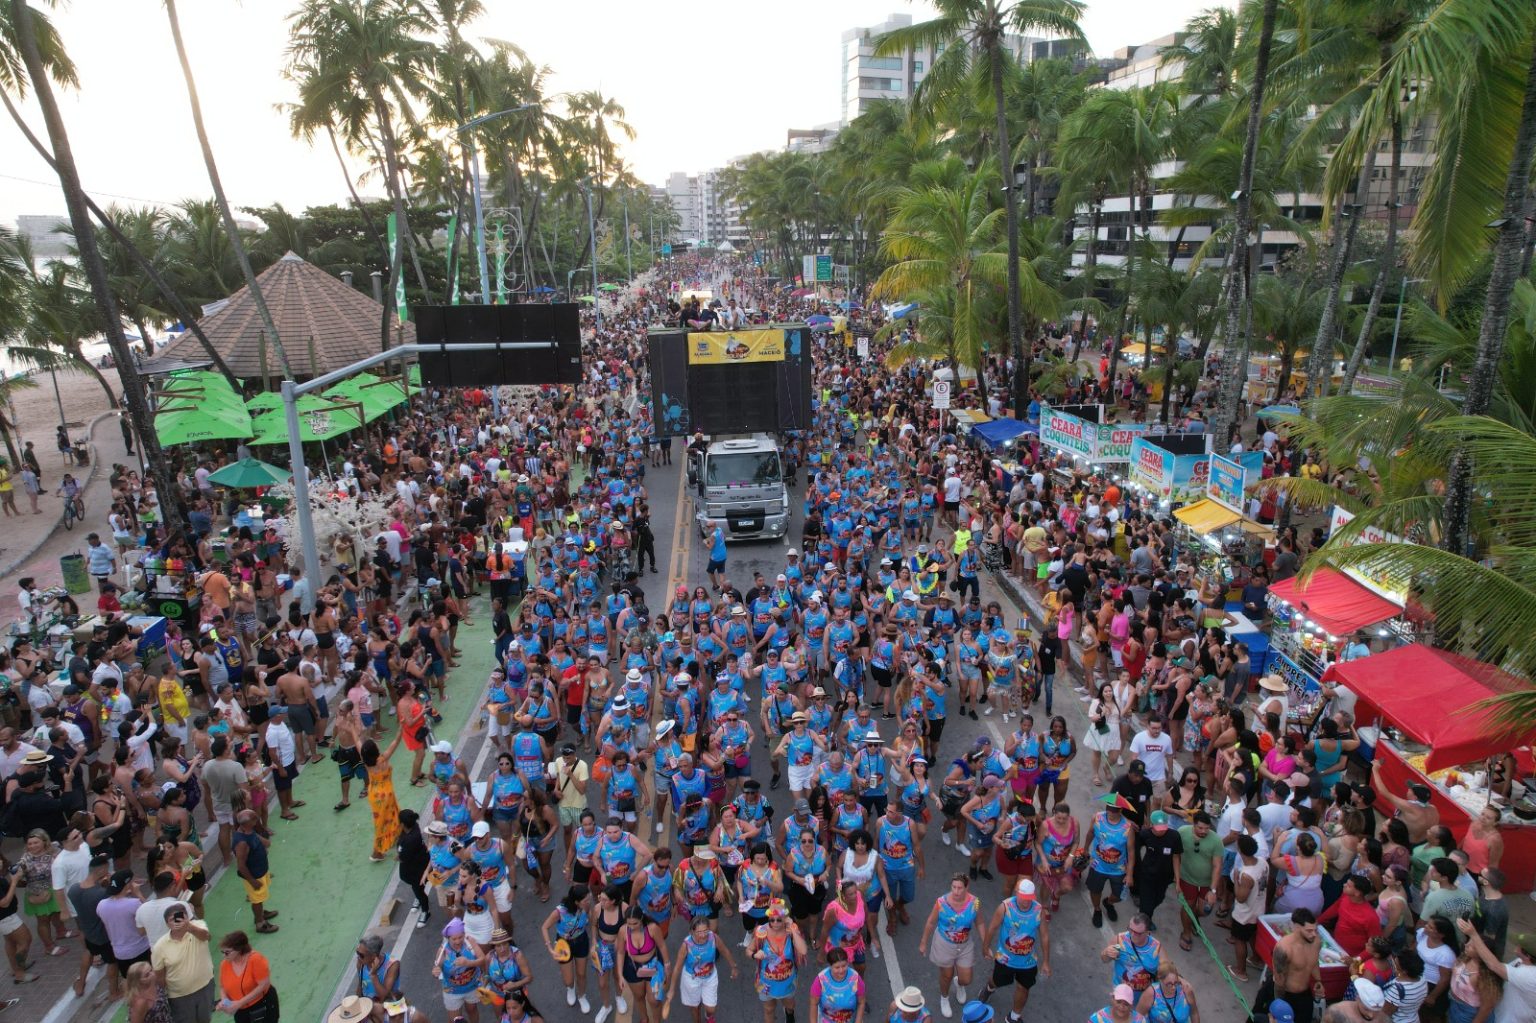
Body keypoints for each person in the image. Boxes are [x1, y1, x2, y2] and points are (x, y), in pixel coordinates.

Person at [979, 878, 1050, 1023]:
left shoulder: (1038, 911)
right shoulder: (1005, 907)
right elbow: (992, 928)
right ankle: (989, 988)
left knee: (1024, 988)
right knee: (997, 980)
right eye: (1023, 897)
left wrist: (1046, 962)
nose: (1026, 901)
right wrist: (985, 947)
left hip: (1028, 961)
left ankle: (1014, 1016)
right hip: (1005, 959)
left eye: (1029, 898)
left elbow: (1044, 936)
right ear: (1017, 893)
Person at [920, 873, 984, 1018]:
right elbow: (931, 922)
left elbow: (979, 922)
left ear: (967, 887)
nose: (956, 891)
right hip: (944, 943)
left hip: (965, 945)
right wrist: (923, 942)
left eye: (959, 888)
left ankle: (959, 984)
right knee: (946, 975)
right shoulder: (941, 902)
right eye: (953, 887)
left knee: (966, 979)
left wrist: (985, 944)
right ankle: (944, 998)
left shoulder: (975, 903)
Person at [1455, 918, 1536, 1022]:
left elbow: (1494, 965)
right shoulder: (1521, 961)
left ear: (1527, 956)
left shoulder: (1530, 975)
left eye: (1519, 945)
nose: (1517, 945)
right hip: (1500, 1013)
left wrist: (1474, 935)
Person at [665, 913, 740, 1023]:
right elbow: (677, 968)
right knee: (695, 1008)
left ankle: (708, 1015)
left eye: (705, 931)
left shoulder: (713, 938)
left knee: (711, 1009)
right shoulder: (686, 945)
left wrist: (733, 966)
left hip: (710, 977)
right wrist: (671, 990)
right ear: (692, 932)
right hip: (691, 979)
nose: (703, 935)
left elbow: (724, 951)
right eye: (699, 932)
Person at [152, 904, 216, 1023]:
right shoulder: (159, 946)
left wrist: (189, 927)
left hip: (205, 987)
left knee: (206, 1020)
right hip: (179, 997)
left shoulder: (198, 925)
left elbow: (206, 936)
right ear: (167, 924)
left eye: (181, 916)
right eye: (172, 919)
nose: (178, 920)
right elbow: (159, 976)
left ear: (187, 917)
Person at [748, 900, 806, 1023]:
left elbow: (803, 950)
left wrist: (793, 929)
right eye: (771, 920)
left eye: (779, 920)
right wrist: (754, 955)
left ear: (785, 918)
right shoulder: (761, 932)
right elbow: (748, 950)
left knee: (790, 1005)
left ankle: (789, 1014)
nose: (775, 923)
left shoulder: (791, 931)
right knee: (769, 1009)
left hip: (788, 981)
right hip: (766, 982)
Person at [1084, 793, 1136, 928]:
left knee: (1119, 895)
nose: (1111, 813)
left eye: (1114, 811)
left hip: (1118, 869)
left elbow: (1131, 852)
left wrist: (1130, 874)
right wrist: (1085, 849)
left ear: (1121, 810)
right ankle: (1097, 909)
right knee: (1095, 890)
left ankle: (1108, 902)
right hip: (1098, 865)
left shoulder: (1128, 827)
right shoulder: (1097, 818)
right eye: (1109, 809)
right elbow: (1090, 833)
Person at [1271, 908, 1326, 1023]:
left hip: (1304, 995)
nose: (1314, 934)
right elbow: (1279, 980)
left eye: (1315, 930)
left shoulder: (1316, 942)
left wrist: (1318, 980)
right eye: (1309, 931)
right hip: (1286, 995)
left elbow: (1314, 961)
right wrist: (1279, 1005)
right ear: (1296, 927)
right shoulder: (1284, 948)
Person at [1227, 835, 1266, 983]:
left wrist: (1237, 880)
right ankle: (1256, 958)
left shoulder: (1246, 875)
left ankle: (1241, 970)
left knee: (1240, 940)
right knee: (1252, 935)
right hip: (1259, 909)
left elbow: (1240, 898)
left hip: (1244, 914)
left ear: (1240, 851)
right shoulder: (1263, 862)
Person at [216, 929, 278, 1023]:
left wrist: (239, 1003)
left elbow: (264, 985)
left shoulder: (256, 960)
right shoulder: (224, 964)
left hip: (261, 1005)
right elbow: (222, 986)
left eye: (227, 952)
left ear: (238, 950)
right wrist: (224, 1001)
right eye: (222, 952)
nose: (224, 956)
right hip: (240, 1010)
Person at [231, 810, 277, 933]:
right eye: (255, 818)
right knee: (257, 900)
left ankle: (260, 913)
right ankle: (260, 923)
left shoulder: (249, 832)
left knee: (260, 898)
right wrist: (252, 881)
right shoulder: (242, 843)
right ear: (249, 823)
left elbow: (267, 843)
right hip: (255, 876)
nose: (257, 819)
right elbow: (241, 866)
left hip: (261, 871)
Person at [362, 733, 404, 862]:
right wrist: (401, 730)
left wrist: (352, 729)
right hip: (386, 796)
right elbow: (395, 742)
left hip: (374, 796)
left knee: (382, 820)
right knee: (387, 820)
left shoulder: (366, 761)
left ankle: (396, 837)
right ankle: (376, 852)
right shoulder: (382, 759)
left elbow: (358, 744)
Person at [1102, 915, 1161, 997]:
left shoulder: (1156, 947)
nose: (1132, 935)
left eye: (1137, 933)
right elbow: (1104, 959)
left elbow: (1167, 970)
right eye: (1130, 930)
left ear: (1147, 932)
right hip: (1122, 994)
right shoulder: (1119, 940)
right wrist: (1106, 953)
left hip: (1144, 996)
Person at [810, 947, 866, 1023]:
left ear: (847, 963)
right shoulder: (820, 980)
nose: (841, 970)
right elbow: (814, 1003)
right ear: (830, 966)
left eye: (844, 966)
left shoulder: (856, 978)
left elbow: (861, 1002)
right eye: (837, 967)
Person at [1134, 961, 1200, 1023]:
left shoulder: (1186, 990)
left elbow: (1194, 1013)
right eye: (1169, 984)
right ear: (1160, 980)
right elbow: (1138, 1017)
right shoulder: (1150, 993)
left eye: (1176, 983)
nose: (1173, 987)